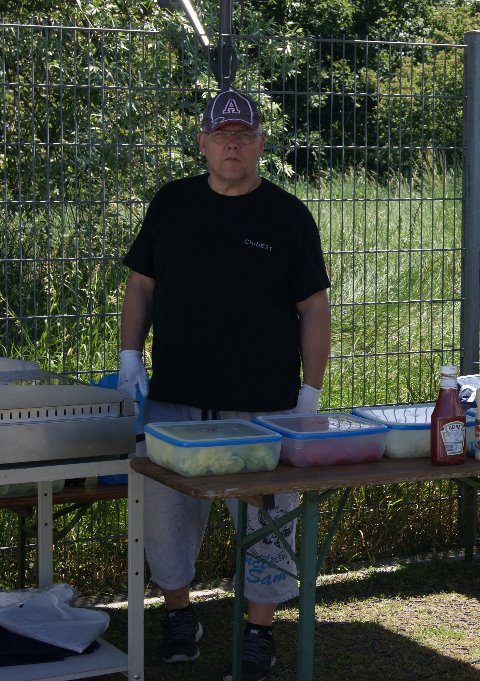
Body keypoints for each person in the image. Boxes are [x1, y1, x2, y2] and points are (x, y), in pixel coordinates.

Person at [118, 88, 331, 681]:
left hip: (263, 407)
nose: (231, 144)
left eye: (243, 135)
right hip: (174, 399)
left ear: (260, 143)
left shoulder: (288, 216)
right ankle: (178, 614)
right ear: (202, 143)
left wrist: (309, 394)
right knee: (164, 517)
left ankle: (259, 630)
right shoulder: (171, 203)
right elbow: (140, 285)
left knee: (269, 521)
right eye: (221, 135)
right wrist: (130, 354)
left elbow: (314, 307)